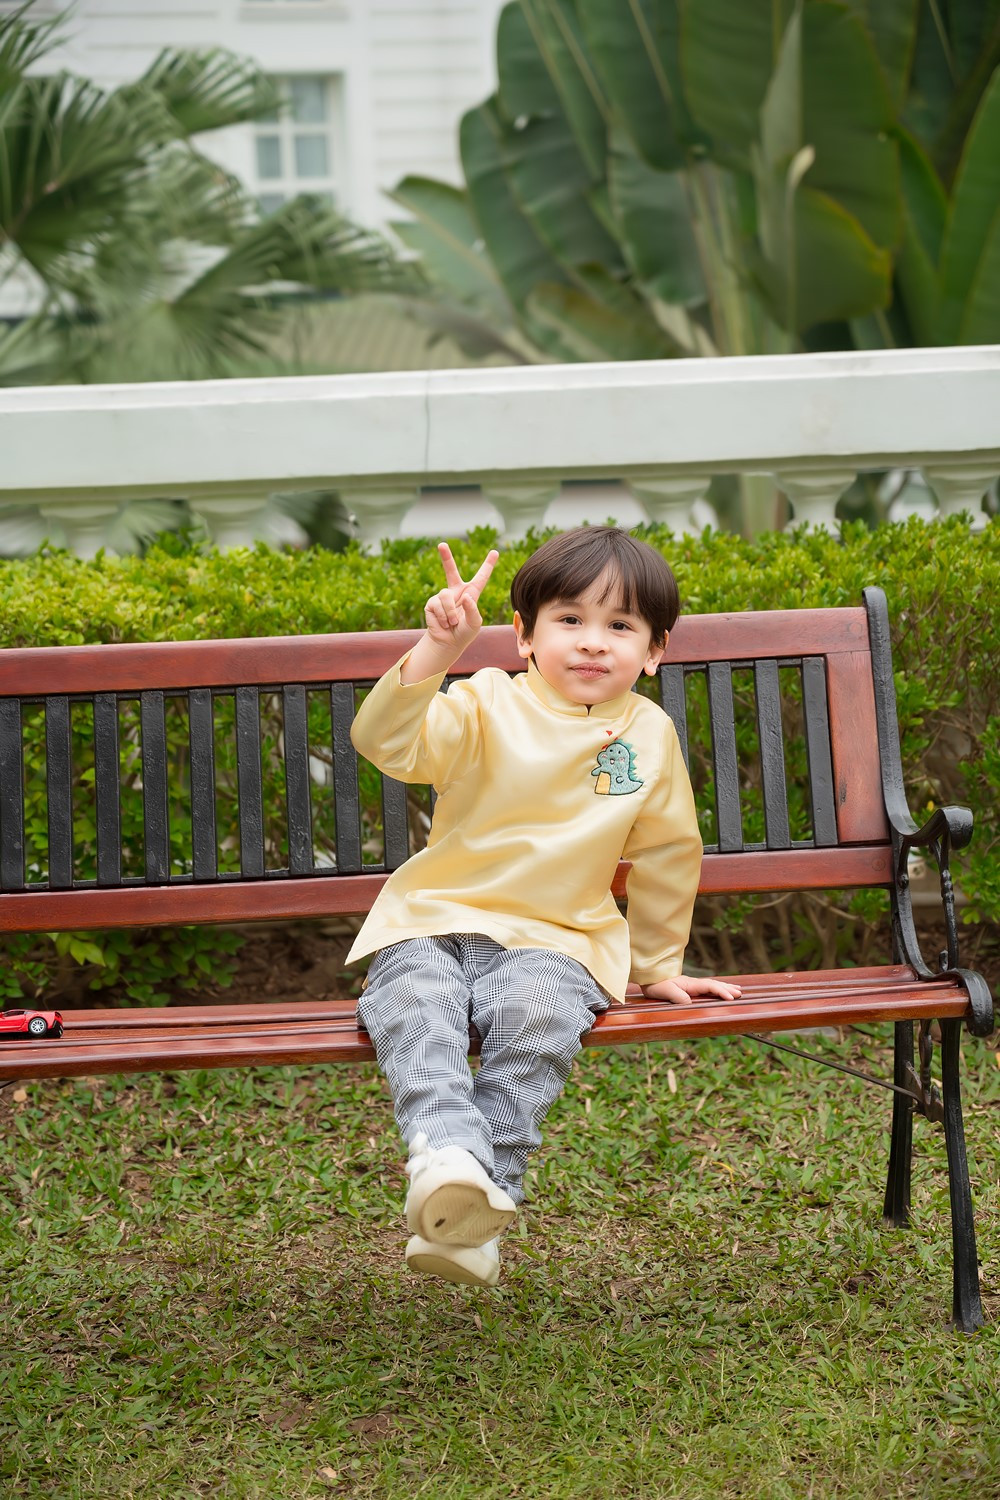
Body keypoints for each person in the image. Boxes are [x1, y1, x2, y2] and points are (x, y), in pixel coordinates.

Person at [347, 526, 741, 1288]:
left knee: (538, 1019)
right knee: (415, 1002)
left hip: (559, 939)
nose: (592, 641)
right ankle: (447, 1157)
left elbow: (668, 852)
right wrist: (439, 650)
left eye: (619, 625)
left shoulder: (648, 735)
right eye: (569, 619)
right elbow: (384, 743)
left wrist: (658, 964)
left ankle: (475, 1208)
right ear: (524, 635)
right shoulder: (484, 702)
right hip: (434, 918)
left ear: (654, 650)